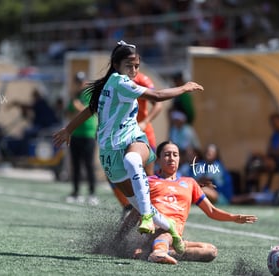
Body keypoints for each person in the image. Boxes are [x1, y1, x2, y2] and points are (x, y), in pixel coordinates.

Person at [53, 40, 204, 254]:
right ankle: (169, 227)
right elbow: (91, 108)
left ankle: (148, 217)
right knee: (135, 202)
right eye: (129, 65)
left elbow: (157, 97)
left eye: (137, 65)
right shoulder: (111, 84)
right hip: (109, 151)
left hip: (134, 139)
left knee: (132, 161)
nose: (134, 70)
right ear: (116, 65)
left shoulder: (121, 82)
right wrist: (68, 129)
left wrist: (184, 88)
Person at [121, 141, 258, 265]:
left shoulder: (190, 183)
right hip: (154, 228)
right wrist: (118, 239)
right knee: (165, 230)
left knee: (210, 251)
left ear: (179, 159)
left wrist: (234, 218)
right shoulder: (148, 181)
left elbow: (211, 211)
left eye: (175, 154)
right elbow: (137, 210)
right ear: (159, 159)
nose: (171, 158)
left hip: (175, 235)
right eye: (167, 154)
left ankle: (154, 251)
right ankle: (157, 253)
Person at [110, 71, 162, 217]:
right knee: (112, 173)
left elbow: (158, 104)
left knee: (148, 176)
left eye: (135, 64)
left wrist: (146, 121)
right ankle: (128, 208)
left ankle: (155, 211)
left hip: (142, 135)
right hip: (120, 136)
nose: (132, 68)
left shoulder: (141, 79)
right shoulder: (113, 81)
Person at [66, 72, 99, 205]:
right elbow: (69, 113)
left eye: (81, 81)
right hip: (76, 134)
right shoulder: (75, 96)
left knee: (89, 165)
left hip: (88, 135)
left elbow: (88, 111)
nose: (79, 84)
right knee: (76, 165)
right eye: (77, 81)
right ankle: (76, 192)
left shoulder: (90, 94)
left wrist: (77, 105)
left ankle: (92, 194)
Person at [244, 112, 279, 193]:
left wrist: (266, 154)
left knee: (267, 164)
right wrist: (262, 155)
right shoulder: (274, 135)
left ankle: (267, 187)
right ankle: (252, 189)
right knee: (254, 163)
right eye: (272, 123)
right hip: (273, 159)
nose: (274, 125)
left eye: (275, 123)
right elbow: (270, 151)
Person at [8, 88, 59, 155]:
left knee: (26, 133)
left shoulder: (40, 103)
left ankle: (23, 153)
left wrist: (16, 103)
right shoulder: (41, 104)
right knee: (26, 131)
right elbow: (32, 115)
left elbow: (28, 107)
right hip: (43, 126)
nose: (34, 98)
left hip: (44, 127)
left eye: (34, 96)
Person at [168, 110, 201, 176]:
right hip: (179, 151)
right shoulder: (173, 130)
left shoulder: (188, 130)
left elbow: (189, 145)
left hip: (190, 150)